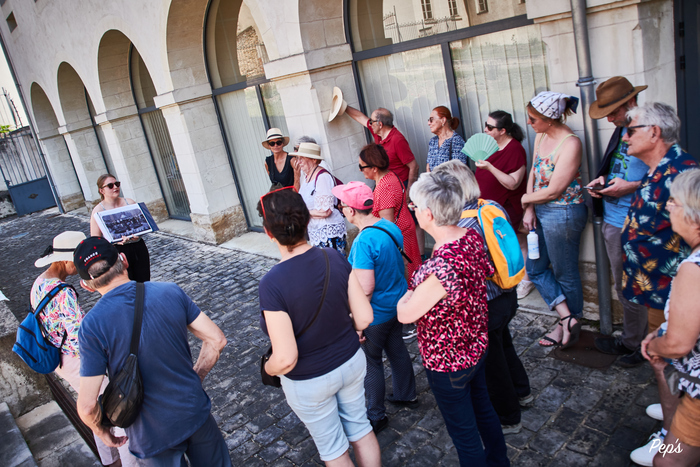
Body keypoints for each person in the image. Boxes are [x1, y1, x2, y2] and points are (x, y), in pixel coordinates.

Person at [74, 237, 230, 466]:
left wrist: (101, 431)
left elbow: (87, 406)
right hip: (194, 412)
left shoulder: (92, 327)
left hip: (150, 435)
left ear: (86, 285)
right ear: (124, 261)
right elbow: (216, 340)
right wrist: (197, 376)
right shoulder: (170, 291)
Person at [257, 187, 381, 467]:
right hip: (350, 362)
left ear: (269, 233)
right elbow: (363, 319)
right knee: (361, 429)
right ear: (307, 221)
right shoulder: (333, 257)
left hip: (309, 380)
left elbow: (286, 358)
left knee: (334, 449)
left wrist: (267, 368)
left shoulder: (272, 284)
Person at [397, 171, 509, 466]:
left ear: (429, 214)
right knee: (484, 411)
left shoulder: (442, 267)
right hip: (475, 345)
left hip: (448, 361)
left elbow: (405, 313)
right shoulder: (469, 237)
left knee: (465, 435)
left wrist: (406, 296)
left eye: (415, 206)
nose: (413, 210)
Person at [435, 160, 532, 435]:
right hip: (507, 293)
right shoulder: (489, 206)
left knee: (493, 365)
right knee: (505, 346)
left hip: (487, 304)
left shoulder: (463, 226)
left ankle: (509, 416)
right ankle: (523, 392)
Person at [32, 231, 135, 467]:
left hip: (57, 357)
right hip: (76, 359)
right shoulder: (63, 293)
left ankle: (110, 460)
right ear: (66, 261)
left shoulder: (40, 282)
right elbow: (82, 338)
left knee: (97, 412)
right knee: (117, 409)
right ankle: (131, 462)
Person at [332, 181, 418, 434]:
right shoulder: (389, 226)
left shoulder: (362, 243)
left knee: (372, 362)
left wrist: (357, 322)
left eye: (342, 205)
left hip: (376, 315)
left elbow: (366, 288)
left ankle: (376, 415)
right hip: (397, 305)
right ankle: (407, 395)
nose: (340, 209)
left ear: (351, 211)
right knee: (397, 350)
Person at [619, 102, 699, 365]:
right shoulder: (656, 168)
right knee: (662, 363)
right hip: (652, 288)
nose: (625, 137)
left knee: (670, 360)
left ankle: (677, 405)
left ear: (654, 133)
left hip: (671, 291)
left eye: (630, 130)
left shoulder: (681, 172)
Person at [634, 169, 700, 467]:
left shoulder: (693, 268)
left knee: (669, 461)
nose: (668, 206)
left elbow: (678, 344)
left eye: (673, 201)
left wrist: (655, 346)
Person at [585, 77, 651, 367]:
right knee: (625, 285)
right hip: (614, 220)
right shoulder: (623, 129)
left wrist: (629, 187)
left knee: (636, 287)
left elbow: (666, 176)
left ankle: (638, 345)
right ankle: (633, 340)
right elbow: (617, 165)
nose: (609, 119)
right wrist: (603, 180)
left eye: (612, 112)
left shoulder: (651, 129)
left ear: (630, 103)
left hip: (637, 222)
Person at [522, 91, 586, 349]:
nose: (529, 123)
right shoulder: (540, 135)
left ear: (549, 119)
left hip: (564, 213)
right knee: (535, 268)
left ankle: (567, 324)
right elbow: (534, 174)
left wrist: (527, 199)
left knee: (565, 272)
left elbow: (554, 190)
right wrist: (529, 208)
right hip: (541, 209)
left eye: (533, 119)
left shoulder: (571, 143)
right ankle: (567, 317)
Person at [475, 110, 531, 299]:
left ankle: (525, 280)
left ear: (503, 130)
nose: (485, 129)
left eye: (490, 127)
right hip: (487, 205)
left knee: (516, 241)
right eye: (486, 125)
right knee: (494, 244)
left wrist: (490, 167)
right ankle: (504, 277)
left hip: (507, 205)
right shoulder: (489, 146)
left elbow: (513, 182)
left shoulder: (515, 149)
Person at [358, 143, 421, 279]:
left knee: (407, 277)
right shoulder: (390, 175)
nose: (360, 170)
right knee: (414, 272)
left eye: (362, 167)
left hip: (400, 237)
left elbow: (387, 226)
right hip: (405, 230)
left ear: (374, 168)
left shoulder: (384, 187)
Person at [344, 105, 418, 199]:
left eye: (372, 121)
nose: (369, 124)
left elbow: (414, 166)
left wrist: (408, 194)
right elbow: (360, 117)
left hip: (400, 186)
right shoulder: (378, 133)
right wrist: (343, 106)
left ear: (380, 124)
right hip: (385, 184)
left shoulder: (397, 140)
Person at [90, 174, 150, 282]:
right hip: (116, 252)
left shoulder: (129, 202)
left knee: (144, 281)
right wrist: (114, 242)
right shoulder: (98, 210)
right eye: (110, 185)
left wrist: (138, 235)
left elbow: (143, 224)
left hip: (138, 247)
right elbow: (95, 240)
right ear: (101, 190)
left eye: (117, 184)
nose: (115, 187)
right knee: (126, 282)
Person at [292, 142, 347, 256]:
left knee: (335, 268)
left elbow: (326, 211)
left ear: (313, 159)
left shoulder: (322, 177)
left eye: (302, 158)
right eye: (298, 158)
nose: (299, 162)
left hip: (329, 232)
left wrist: (303, 212)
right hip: (316, 231)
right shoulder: (307, 177)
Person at [426, 105, 467, 171]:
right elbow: (428, 167)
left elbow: (459, 171)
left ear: (443, 120)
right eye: (429, 120)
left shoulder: (456, 141)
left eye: (431, 119)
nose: (428, 123)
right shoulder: (433, 141)